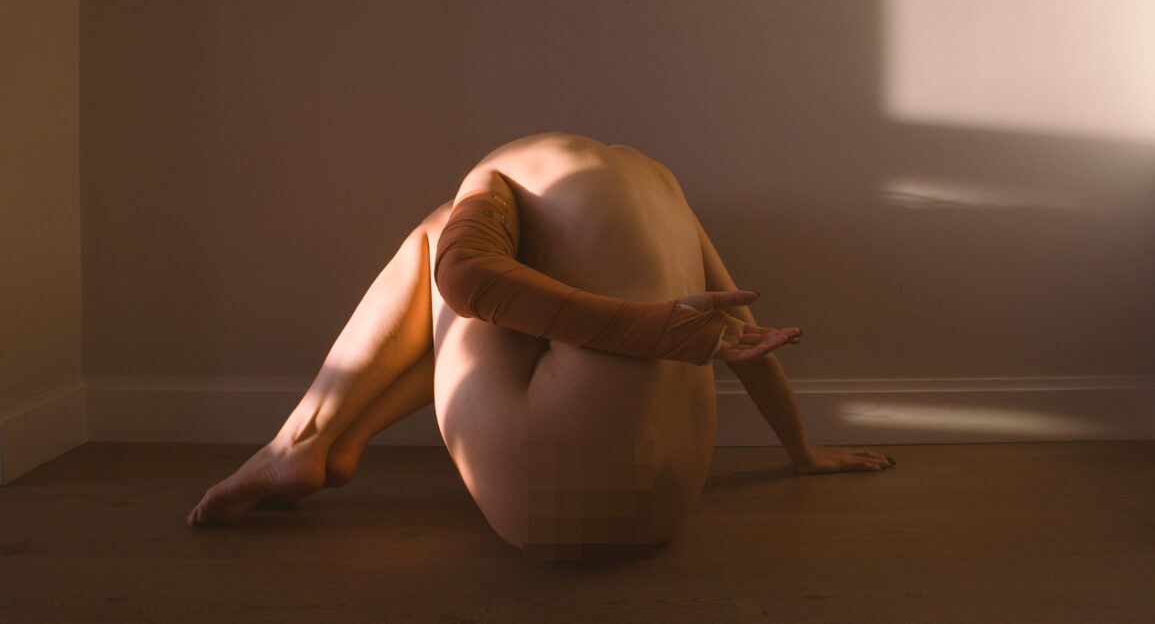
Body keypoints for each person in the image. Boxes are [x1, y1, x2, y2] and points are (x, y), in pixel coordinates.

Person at [187, 133, 894, 559]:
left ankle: (304, 438)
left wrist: (654, 330)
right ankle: (327, 442)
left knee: (441, 234)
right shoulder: (661, 183)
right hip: (665, 512)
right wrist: (802, 451)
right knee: (516, 298)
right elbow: (747, 332)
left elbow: (464, 281)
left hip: (548, 510)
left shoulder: (499, 170)